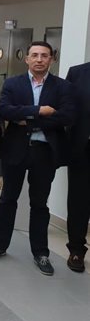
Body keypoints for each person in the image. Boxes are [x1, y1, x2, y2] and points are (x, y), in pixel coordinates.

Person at [0, 41, 74, 276]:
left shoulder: (62, 87)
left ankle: (41, 253)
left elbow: (66, 116)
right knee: (7, 199)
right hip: (16, 149)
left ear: (51, 59)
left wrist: (26, 118)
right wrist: (39, 111)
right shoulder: (13, 83)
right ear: (27, 59)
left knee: (40, 204)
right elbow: (4, 111)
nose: (39, 59)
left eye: (44, 55)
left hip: (45, 152)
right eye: (34, 55)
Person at [65, 61, 90, 273]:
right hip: (83, 150)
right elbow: (67, 108)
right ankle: (76, 250)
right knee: (79, 201)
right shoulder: (78, 73)